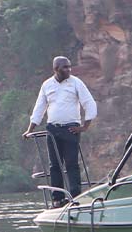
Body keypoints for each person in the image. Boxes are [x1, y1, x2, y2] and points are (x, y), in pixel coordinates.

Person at [23, 56, 98, 206]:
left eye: (69, 67)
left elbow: (88, 102)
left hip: (71, 128)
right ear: (56, 69)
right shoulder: (47, 85)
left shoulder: (76, 83)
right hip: (53, 129)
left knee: (71, 163)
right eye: (65, 67)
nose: (68, 70)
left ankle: (75, 197)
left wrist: (84, 126)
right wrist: (29, 129)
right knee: (55, 164)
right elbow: (40, 108)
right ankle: (57, 198)